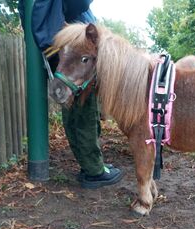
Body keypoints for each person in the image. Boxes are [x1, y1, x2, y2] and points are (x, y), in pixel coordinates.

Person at [18, 0, 123, 188]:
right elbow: (80, 3)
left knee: (73, 113)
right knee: (84, 114)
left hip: (62, 58)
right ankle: (94, 171)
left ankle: (87, 165)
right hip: (76, 59)